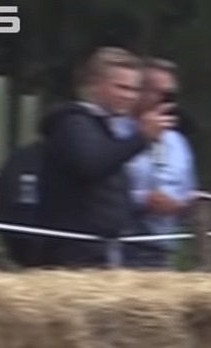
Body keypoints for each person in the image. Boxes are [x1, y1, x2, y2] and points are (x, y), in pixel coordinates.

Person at [35, 47, 174, 268]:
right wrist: (141, 138)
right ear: (94, 84)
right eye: (121, 87)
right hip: (74, 256)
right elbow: (93, 164)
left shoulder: (103, 127)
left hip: (105, 251)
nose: (129, 96)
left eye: (134, 90)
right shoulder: (73, 124)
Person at [117, 58, 197, 269]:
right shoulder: (114, 133)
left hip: (163, 249)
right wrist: (143, 200)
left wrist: (183, 205)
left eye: (171, 94)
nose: (167, 100)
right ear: (139, 92)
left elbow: (188, 192)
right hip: (121, 245)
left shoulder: (178, 143)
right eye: (159, 92)